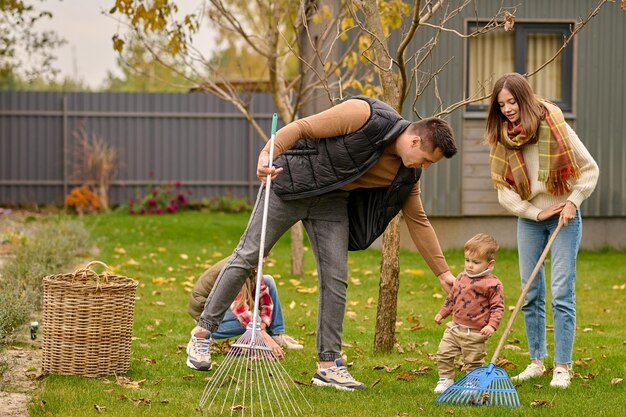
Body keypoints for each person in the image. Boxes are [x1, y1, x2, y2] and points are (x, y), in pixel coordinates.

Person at [191, 95, 458, 391]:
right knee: (249, 256)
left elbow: (418, 221)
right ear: (415, 142)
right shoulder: (365, 115)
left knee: (336, 278)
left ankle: (328, 366)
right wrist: (268, 153)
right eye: (428, 160)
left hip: (332, 202)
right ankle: (202, 335)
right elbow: (302, 127)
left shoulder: (407, 174)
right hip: (291, 186)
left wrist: (443, 273)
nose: (426, 167)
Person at [486, 73, 599, 389]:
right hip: (532, 220)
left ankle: (562, 365)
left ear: (525, 98)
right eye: (501, 104)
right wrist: (534, 212)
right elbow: (503, 191)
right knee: (530, 291)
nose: (508, 109)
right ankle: (536, 361)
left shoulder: (555, 123)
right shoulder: (504, 138)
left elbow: (590, 170)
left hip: (564, 216)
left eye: (512, 102)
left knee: (562, 291)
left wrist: (573, 201)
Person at [186, 256, 303, 371]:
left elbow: (266, 301)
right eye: (262, 257)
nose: (265, 260)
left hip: (226, 305)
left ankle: (276, 335)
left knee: (268, 280)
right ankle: (202, 332)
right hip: (206, 310)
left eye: (266, 256)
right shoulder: (235, 270)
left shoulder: (252, 265)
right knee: (252, 321)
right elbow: (240, 310)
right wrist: (262, 334)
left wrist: (263, 325)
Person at [433, 233, 504, 394]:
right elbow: (452, 297)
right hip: (454, 328)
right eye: (467, 261)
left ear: (490, 264)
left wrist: (492, 326)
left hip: (475, 332)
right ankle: (446, 379)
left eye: (476, 262)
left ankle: (472, 383)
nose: (470, 265)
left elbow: (497, 307)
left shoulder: (492, 284)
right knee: (443, 353)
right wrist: (442, 313)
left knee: (473, 361)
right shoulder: (461, 277)